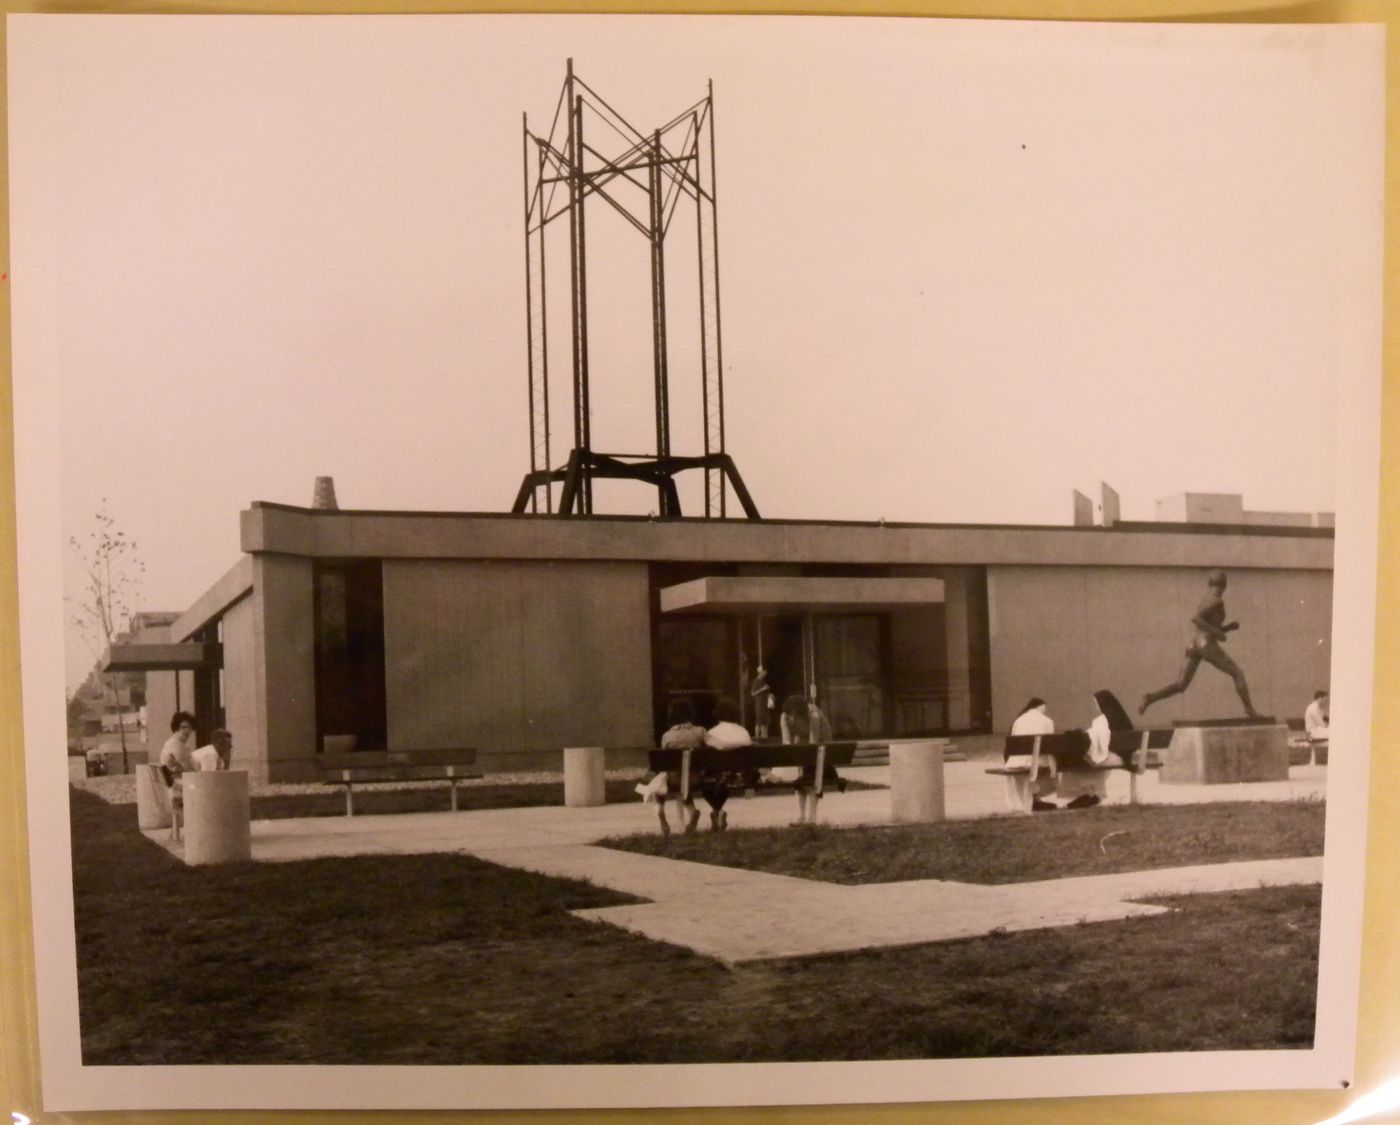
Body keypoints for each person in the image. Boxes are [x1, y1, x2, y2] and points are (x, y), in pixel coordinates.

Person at [1139, 570, 1259, 718]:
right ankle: (1249, 709)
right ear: (1224, 585)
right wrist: (1217, 633)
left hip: (1194, 643)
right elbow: (1197, 619)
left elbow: (1206, 625)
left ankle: (1150, 698)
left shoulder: (1207, 599)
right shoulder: (1216, 600)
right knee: (1237, 673)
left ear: (1209, 583)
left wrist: (1228, 628)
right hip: (1205, 644)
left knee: (1180, 685)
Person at [1057, 689, 1135, 809]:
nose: (1096, 707)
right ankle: (1091, 795)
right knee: (1087, 761)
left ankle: (1087, 794)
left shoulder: (1102, 720)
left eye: (1096, 704)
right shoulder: (1121, 717)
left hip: (1112, 758)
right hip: (1122, 758)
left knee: (1080, 761)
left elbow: (1095, 739)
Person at [642, 698, 706, 835]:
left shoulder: (667, 736)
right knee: (685, 783)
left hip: (674, 779)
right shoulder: (700, 732)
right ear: (690, 713)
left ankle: (660, 811)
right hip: (695, 778)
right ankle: (692, 812)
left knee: (659, 783)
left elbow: (663, 761)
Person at [699, 697, 752, 831]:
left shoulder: (712, 733)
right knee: (725, 778)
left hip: (719, 776)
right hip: (740, 777)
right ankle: (718, 813)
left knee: (706, 784)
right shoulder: (743, 732)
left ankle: (717, 811)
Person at [1005, 697, 1058, 812]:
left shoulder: (1018, 720)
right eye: (1044, 707)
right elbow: (1050, 744)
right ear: (1040, 707)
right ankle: (1035, 797)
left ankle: (1033, 799)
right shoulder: (1047, 721)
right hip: (1035, 761)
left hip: (1015, 761)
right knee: (1052, 768)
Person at [749, 666, 776, 739]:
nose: (765, 674)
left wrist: (770, 695)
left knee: (765, 722)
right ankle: (757, 738)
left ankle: (765, 737)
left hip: (764, 704)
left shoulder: (763, 681)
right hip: (759, 704)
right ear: (760, 672)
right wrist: (762, 689)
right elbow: (753, 693)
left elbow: (765, 692)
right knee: (759, 722)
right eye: (764, 672)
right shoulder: (756, 681)